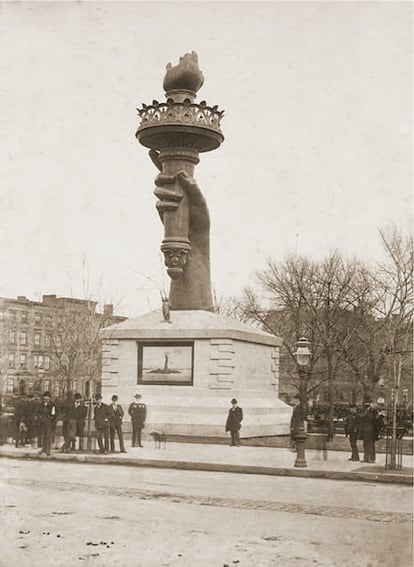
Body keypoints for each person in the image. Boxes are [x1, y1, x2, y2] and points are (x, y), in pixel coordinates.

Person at [37, 391, 56, 456]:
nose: (45, 400)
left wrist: (50, 419)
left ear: (49, 399)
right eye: (45, 399)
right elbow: (37, 412)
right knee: (42, 435)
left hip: (49, 422)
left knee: (48, 435)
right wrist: (40, 417)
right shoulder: (40, 404)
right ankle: (43, 449)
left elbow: (53, 414)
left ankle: (48, 450)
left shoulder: (52, 405)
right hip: (41, 421)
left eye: (47, 399)